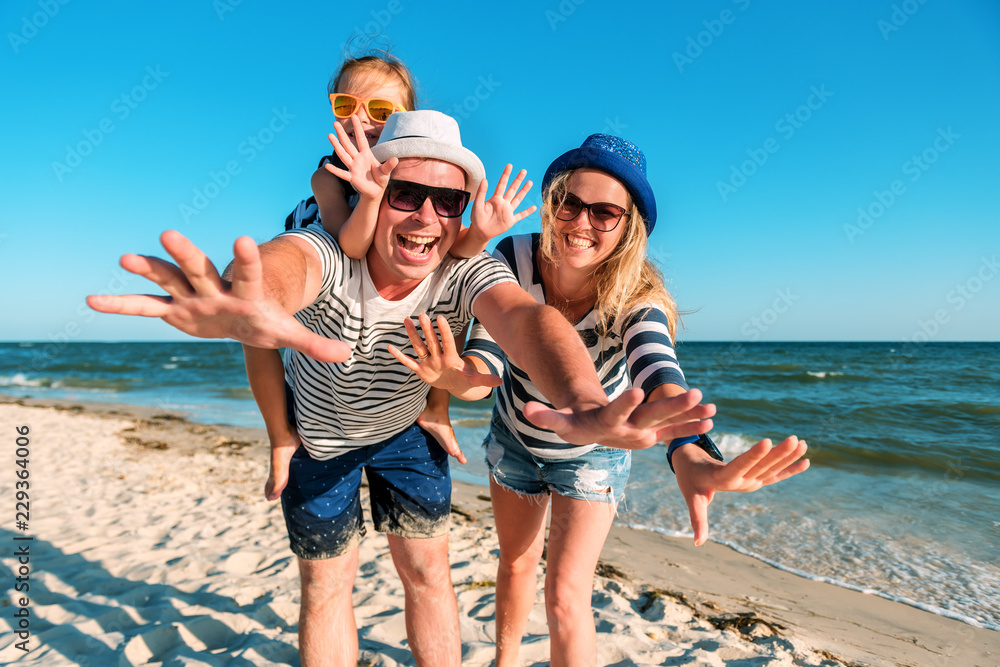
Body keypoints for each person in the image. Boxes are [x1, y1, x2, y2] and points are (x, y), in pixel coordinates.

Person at [87, 112, 716, 667]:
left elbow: (527, 323)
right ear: (371, 190)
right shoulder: (331, 250)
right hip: (321, 443)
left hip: (407, 437)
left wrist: (586, 404)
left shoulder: (469, 267)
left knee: (430, 576)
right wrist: (247, 297)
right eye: (406, 193)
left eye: (447, 202)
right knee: (328, 588)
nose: (426, 217)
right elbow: (288, 264)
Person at [395, 134, 811, 667]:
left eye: (605, 211)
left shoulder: (637, 294)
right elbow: (487, 364)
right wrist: (455, 377)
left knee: (567, 597)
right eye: (569, 202)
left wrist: (688, 449)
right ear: (551, 204)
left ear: (628, 225)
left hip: (594, 455)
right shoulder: (512, 257)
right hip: (516, 440)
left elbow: (659, 371)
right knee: (516, 564)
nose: (581, 222)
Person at [250, 52, 533, 504]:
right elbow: (351, 246)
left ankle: (436, 408)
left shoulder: (417, 183)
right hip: (339, 242)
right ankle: (280, 436)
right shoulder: (327, 178)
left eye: (380, 111)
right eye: (346, 105)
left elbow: (451, 255)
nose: (360, 119)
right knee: (259, 332)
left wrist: (479, 232)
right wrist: (369, 196)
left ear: (407, 120)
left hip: (398, 364)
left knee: (444, 288)